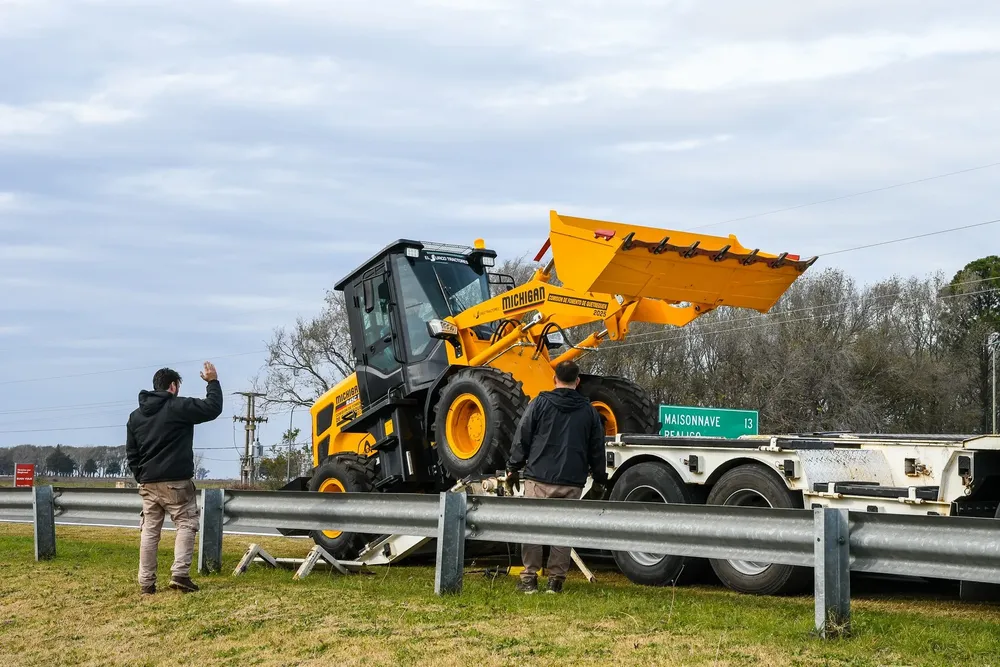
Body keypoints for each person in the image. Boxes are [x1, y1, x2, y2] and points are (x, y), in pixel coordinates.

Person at [505, 360, 608, 594]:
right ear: (578, 381)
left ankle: (529, 579)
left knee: (532, 529)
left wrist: (513, 467)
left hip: (538, 477)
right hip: (572, 481)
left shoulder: (539, 403)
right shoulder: (589, 412)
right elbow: (597, 449)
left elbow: (523, 437)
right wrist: (600, 478)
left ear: (554, 379)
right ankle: (556, 581)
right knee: (562, 531)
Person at [126, 362, 223, 595]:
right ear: (173, 386)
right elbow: (212, 408)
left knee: (150, 531)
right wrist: (212, 381)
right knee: (186, 523)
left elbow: (132, 453)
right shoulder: (178, 407)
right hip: (176, 481)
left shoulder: (136, 416)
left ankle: (146, 583)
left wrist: (142, 476)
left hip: (148, 482)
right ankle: (180, 574)